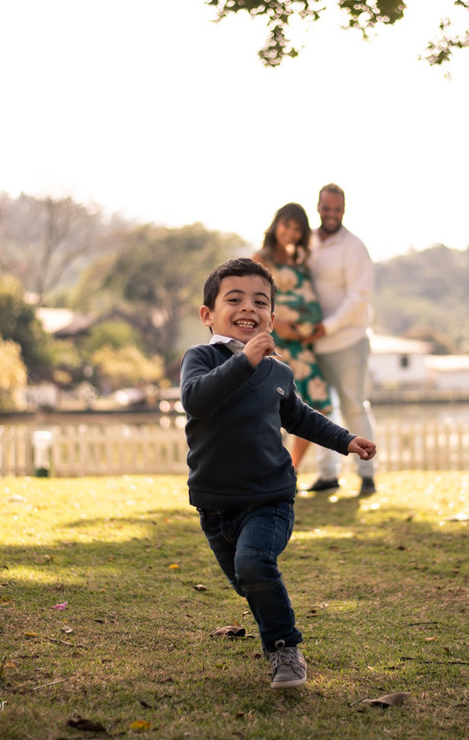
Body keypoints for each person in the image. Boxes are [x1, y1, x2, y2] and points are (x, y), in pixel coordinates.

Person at [180, 257, 377, 690]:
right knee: (246, 582)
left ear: (271, 315)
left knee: (255, 565)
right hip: (215, 505)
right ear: (208, 315)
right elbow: (197, 400)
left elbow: (303, 419)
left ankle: (284, 647)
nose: (248, 307)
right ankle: (267, 605)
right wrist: (244, 360)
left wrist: (346, 440)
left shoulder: (278, 372)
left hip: (270, 497)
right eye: (235, 299)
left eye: (260, 301)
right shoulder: (200, 359)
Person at [305, 182, 378, 495]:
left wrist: (327, 326)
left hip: (347, 341)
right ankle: (327, 475)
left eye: (337, 209)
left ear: (343, 210)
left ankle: (367, 474)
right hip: (312, 344)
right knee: (320, 410)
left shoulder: (354, 247)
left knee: (352, 407)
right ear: (318, 207)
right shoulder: (306, 242)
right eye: (326, 208)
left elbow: (358, 298)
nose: (331, 214)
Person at [252, 203, 332, 473]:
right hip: (274, 344)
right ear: (276, 225)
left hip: (303, 346)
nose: (291, 232)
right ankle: (270, 468)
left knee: (317, 406)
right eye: (287, 225)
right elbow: (252, 299)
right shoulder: (261, 259)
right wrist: (276, 326)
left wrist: (307, 329)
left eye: (298, 229)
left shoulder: (301, 263)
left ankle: (292, 468)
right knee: (271, 406)